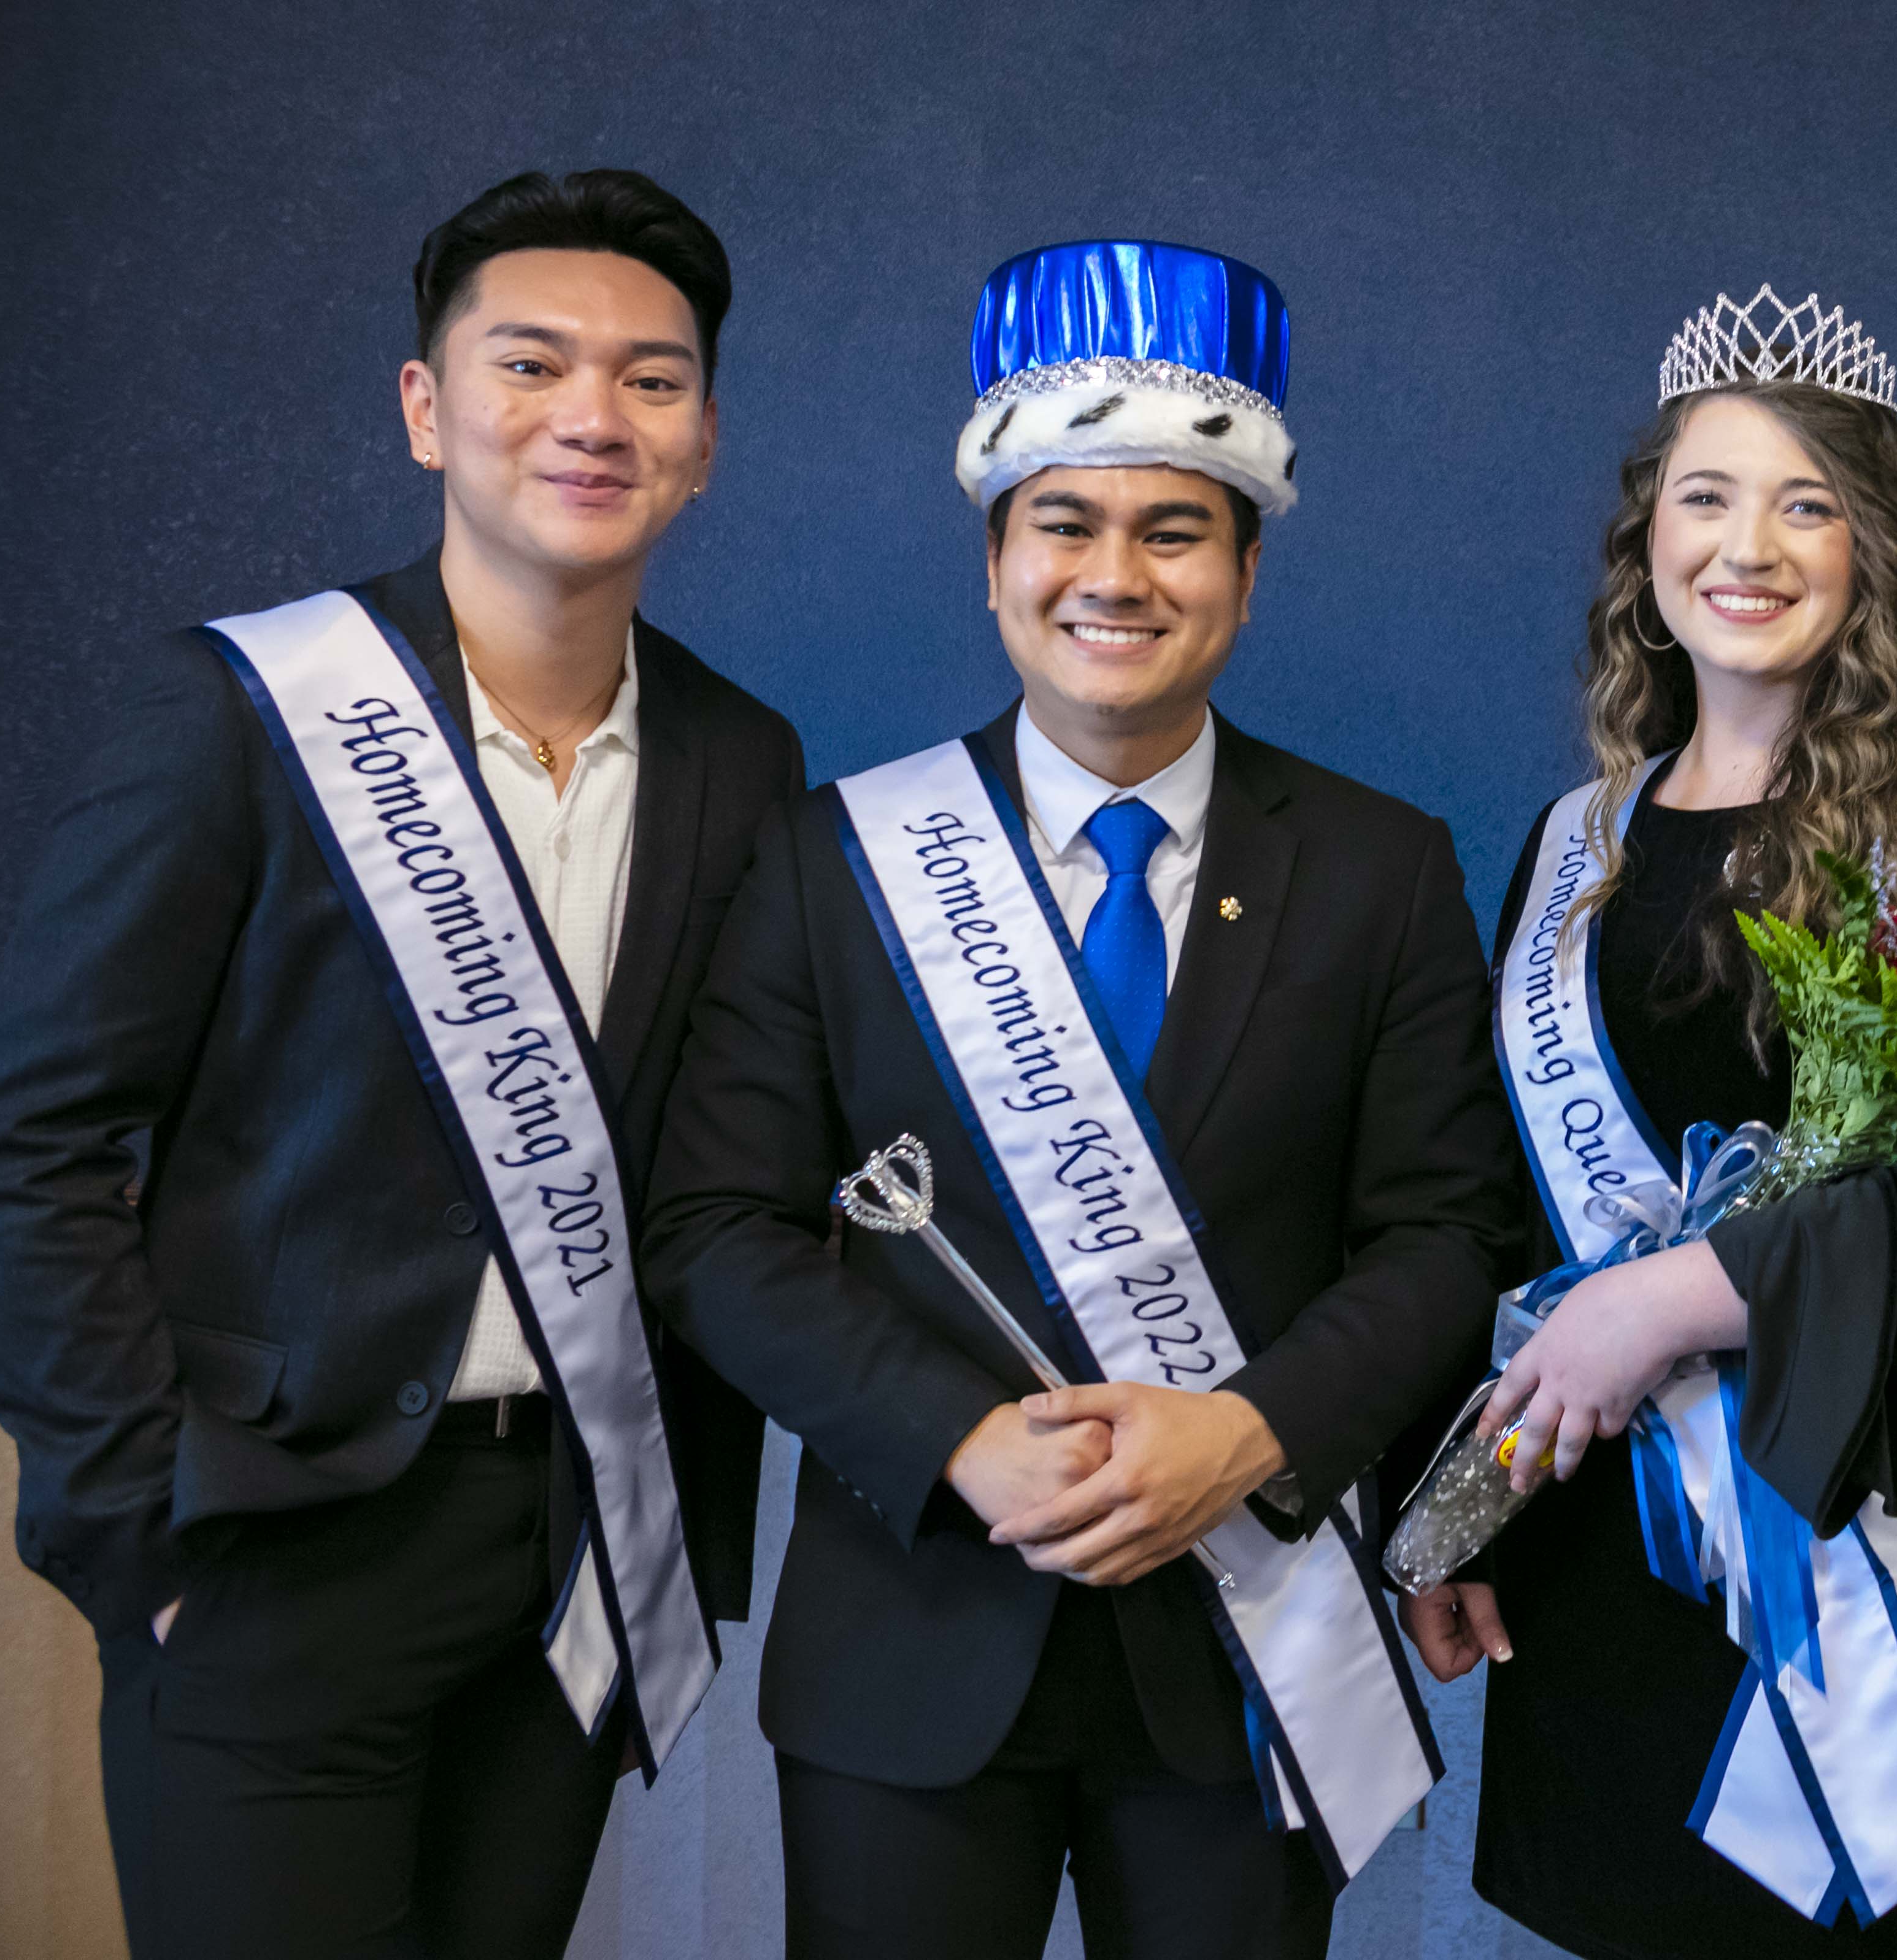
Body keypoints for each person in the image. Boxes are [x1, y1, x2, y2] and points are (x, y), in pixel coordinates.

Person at [0, 168, 801, 1960]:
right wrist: (136, 1539)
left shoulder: (741, 755)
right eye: (533, 363)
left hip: (574, 1548)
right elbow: (25, 1140)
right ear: (427, 408)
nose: (593, 415)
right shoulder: (243, 711)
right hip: (268, 1543)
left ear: (708, 438)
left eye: (653, 379)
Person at [640, 239, 1519, 1960]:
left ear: (1247, 575)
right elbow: (717, 1231)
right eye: (1066, 523)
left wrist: (1253, 1431)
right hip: (911, 1643)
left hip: (1240, 1655)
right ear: (993, 565)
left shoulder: (1377, 868)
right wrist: (957, 1437)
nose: (1114, 573)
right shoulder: (833, 861)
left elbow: (1446, 1230)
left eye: (1174, 528)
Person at [1399, 286, 1897, 1958]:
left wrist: (1689, 1293)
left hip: (1862, 1553)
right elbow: (1495, 1208)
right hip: (1601, 1556)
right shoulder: (1575, 854)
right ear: (1649, 547)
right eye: (1706, 496)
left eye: (1805, 502)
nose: (1746, 544)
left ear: (1872, 555)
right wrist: (1459, 1508)